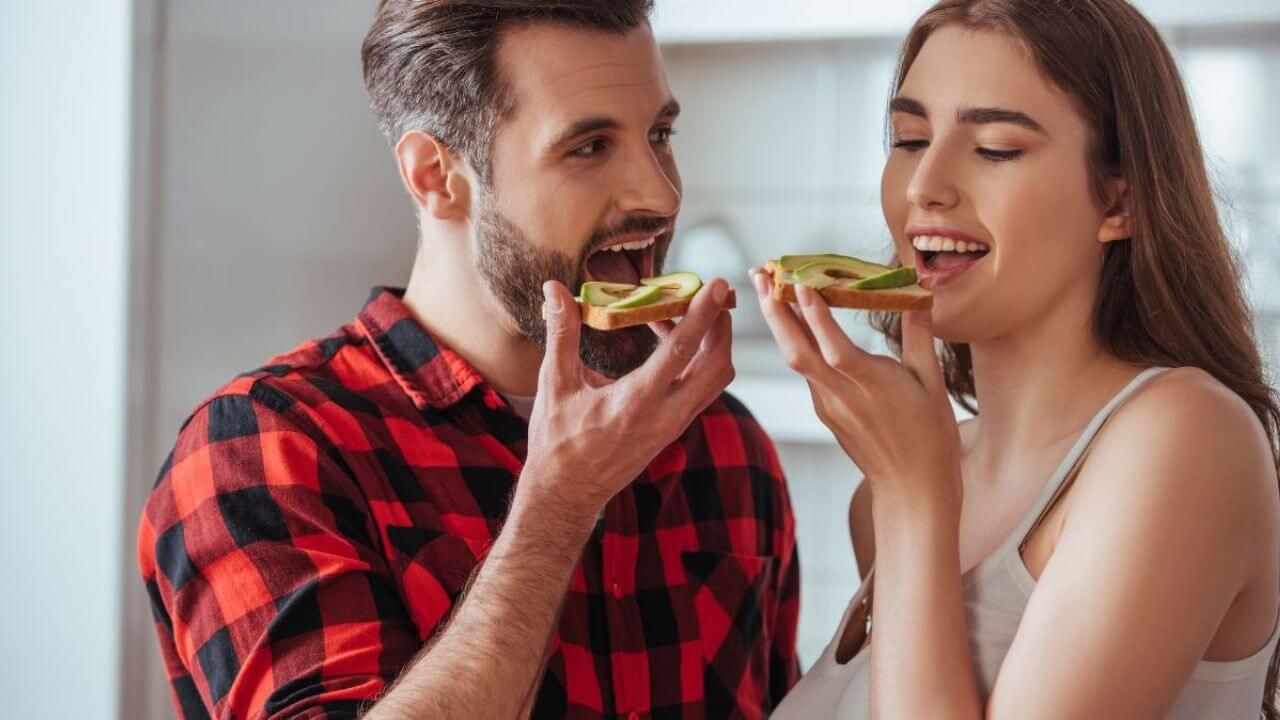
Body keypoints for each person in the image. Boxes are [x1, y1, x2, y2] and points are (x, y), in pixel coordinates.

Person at [137, 2, 800, 718]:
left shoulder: (725, 445)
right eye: (588, 147)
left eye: (659, 134)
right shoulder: (267, 448)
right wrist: (558, 508)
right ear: (436, 177)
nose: (660, 194)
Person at [756, 0, 1280, 717]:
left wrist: (915, 499)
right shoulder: (883, 500)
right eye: (909, 139)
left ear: (1119, 201)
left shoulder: (1187, 438)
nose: (922, 186)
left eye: (996, 147)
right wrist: (907, 493)